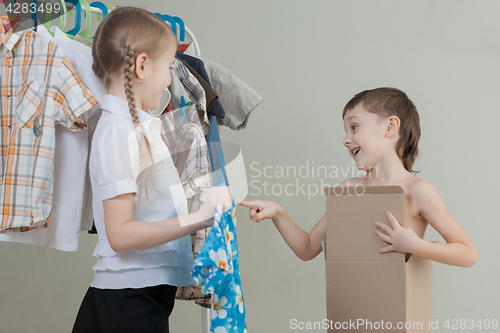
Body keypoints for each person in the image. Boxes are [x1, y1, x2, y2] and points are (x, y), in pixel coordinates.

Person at [72, 7, 232, 333]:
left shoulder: (141, 126)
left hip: (142, 296)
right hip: (128, 302)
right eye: (170, 67)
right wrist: (199, 217)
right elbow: (120, 235)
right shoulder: (118, 133)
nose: (170, 79)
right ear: (143, 66)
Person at [238, 87, 477, 267]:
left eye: (354, 127)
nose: (345, 139)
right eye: (345, 131)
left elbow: (467, 254)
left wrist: (415, 246)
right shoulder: (349, 189)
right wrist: (279, 213)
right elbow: (308, 249)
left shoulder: (418, 191)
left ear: (390, 127)